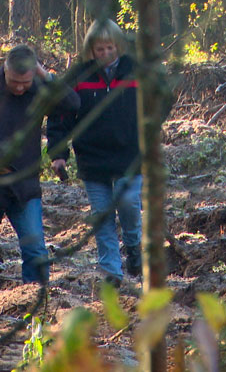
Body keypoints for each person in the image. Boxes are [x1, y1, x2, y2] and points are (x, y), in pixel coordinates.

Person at [49, 19, 142, 288]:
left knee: (127, 203)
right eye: (99, 49)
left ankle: (134, 246)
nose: (104, 54)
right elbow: (60, 114)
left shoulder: (134, 72)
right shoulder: (79, 76)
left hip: (129, 155)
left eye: (109, 48)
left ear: (119, 46)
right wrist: (58, 154)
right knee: (102, 215)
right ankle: (111, 272)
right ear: (91, 49)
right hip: (92, 157)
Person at [0, 44, 79, 284]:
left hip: (24, 183)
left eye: (25, 81)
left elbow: (72, 104)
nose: (20, 87)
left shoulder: (38, 87)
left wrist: (46, 76)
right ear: (5, 69)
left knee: (36, 252)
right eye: (14, 81)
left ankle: (35, 305)